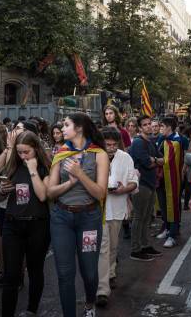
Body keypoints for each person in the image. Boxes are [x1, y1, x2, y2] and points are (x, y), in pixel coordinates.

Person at [46, 113, 109, 317]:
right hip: (61, 218)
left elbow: (100, 193)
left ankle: (90, 304)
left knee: (90, 273)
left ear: (79, 128)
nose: (62, 129)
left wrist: (80, 174)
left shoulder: (99, 154)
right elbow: (50, 192)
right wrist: (70, 183)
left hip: (89, 218)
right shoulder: (61, 153)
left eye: (66, 125)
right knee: (65, 274)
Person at [0, 131, 50, 317]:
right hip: (12, 223)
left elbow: (43, 195)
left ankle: (31, 310)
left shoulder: (44, 167)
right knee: (11, 274)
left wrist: (33, 169)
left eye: (26, 152)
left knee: (35, 269)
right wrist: (2, 190)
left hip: (37, 225)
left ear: (35, 149)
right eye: (19, 152)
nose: (22, 156)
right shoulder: (13, 165)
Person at [96, 129, 139, 308]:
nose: (111, 148)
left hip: (118, 208)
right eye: (108, 144)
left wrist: (124, 189)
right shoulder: (95, 156)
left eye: (114, 144)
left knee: (113, 246)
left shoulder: (125, 157)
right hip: (99, 209)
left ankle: (111, 272)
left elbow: (134, 182)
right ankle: (102, 290)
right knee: (103, 248)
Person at [128, 115, 163, 261]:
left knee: (146, 217)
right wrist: (155, 161)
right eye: (145, 124)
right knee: (138, 217)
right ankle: (135, 250)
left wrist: (154, 160)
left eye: (150, 124)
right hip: (140, 185)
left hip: (150, 183)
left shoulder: (150, 142)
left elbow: (162, 159)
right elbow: (148, 163)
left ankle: (145, 245)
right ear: (140, 127)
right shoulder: (138, 143)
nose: (148, 126)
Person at [155, 116, 188, 248]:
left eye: (162, 126)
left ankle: (172, 234)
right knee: (163, 204)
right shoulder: (161, 139)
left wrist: (183, 171)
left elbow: (183, 156)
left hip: (174, 178)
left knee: (173, 204)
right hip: (162, 177)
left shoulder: (179, 140)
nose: (159, 128)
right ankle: (167, 228)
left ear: (169, 127)